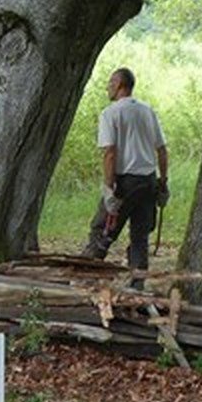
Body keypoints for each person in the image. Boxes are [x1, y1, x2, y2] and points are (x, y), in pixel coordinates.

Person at [82, 67, 168, 286]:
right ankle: (137, 287)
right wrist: (163, 183)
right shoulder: (147, 110)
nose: (108, 87)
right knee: (140, 238)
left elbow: (110, 153)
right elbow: (162, 150)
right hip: (148, 182)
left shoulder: (110, 114)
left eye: (111, 83)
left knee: (102, 232)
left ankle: (83, 279)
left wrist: (109, 190)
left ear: (120, 85)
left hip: (124, 183)